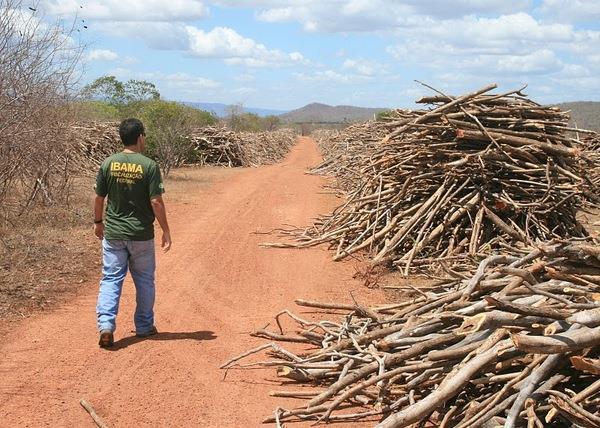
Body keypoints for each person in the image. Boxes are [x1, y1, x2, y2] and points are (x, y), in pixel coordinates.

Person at [93, 118, 172, 348]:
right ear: (140, 137)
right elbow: (156, 201)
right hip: (141, 235)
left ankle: (106, 326)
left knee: (111, 279)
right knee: (145, 280)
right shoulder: (149, 166)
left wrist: (98, 222)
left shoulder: (109, 163)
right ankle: (145, 326)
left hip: (114, 234)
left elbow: (99, 197)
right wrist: (166, 230)